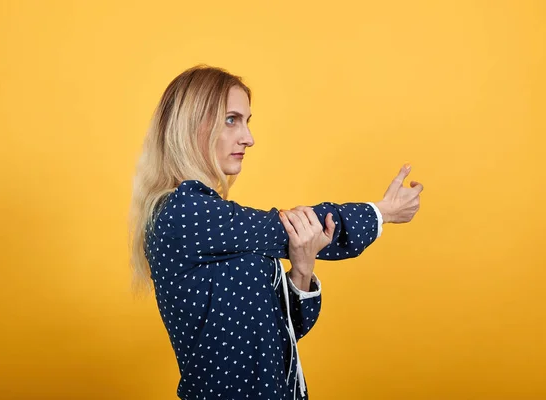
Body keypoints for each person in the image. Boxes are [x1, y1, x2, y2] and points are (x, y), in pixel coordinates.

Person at [129, 65, 423, 400]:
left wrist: (302, 268)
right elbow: (290, 225)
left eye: (247, 122)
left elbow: (284, 333)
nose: (248, 138)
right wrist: (381, 213)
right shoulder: (186, 212)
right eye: (232, 120)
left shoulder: (214, 221)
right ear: (191, 125)